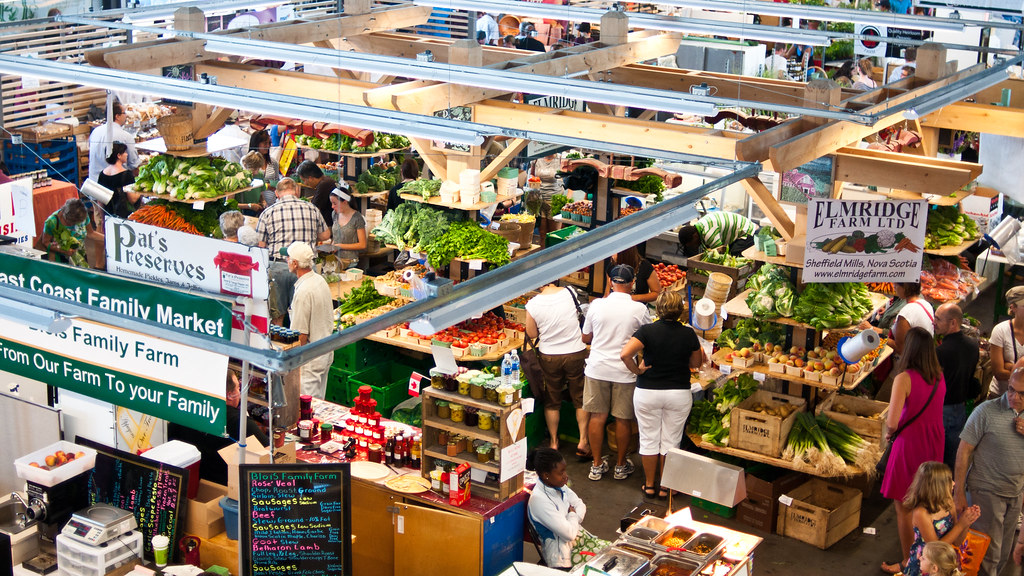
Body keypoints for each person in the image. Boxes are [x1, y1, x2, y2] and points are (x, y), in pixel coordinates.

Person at [620, 290, 703, 499]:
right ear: (681, 310)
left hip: (648, 392)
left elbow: (625, 354)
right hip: (678, 393)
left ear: (659, 308)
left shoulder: (647, 331)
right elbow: (695, 363)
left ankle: (649, 485)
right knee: (671, 441)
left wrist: (637, 371)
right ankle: (666, 486)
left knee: (648, 439)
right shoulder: (688, 334)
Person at [882, 327, 946, 570]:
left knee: (904, 507)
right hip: (933, 441)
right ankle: (926, 557)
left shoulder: (904, 378)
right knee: (924, 503)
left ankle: (909, 563)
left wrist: (889, 434)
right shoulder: (939, 375)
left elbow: (892, 422)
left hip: (909, 443)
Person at [582, 264, 650, 482]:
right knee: (623, 419)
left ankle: (596, 465)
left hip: (597, 368)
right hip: (625, 371)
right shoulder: (639, 309)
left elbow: (586, 337)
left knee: (597, 417)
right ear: (632, 284)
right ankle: (620, 466)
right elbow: (647, 338)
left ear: (611, 282)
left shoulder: (596, 305)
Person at [955, 367, 1024, 576]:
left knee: (1003, 554)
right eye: (1011, 389)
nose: (1014, 397)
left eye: (1022, 394)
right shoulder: (985, 411)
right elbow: (963, 452)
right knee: (986, 556)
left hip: (1015, 494)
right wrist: (958, 494)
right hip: (985, 492)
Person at [167, 369, 269, 485]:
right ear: (229, 395)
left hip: (190, 486)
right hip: (224, 490)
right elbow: (268, 452)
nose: (239, 393)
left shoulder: (188, 410)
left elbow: (167, 439)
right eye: (238, 389)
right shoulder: (238, 421)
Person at [882, 461, 981, 575]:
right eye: (949, 481)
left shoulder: (949, 503)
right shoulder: (921, 513)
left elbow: (958, 542)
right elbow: (936, 549)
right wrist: (961, 525)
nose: (954, 483)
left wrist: (967, 521)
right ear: (937, 487)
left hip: (943, 566)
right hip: (924, 566)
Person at [525, 284, 589, 457]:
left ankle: (553, 442)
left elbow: (531, 333)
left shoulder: (532, 304)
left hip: (549, 356)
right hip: (575, 352)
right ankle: (583, 440)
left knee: (552, 399)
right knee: (580, 397)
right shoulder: (570, 292)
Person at [256, 177, 331, 323]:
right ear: (297, 191)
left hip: (278, 268)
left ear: (277, 193)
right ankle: (303, 345)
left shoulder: (268, 212)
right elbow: (325, 235)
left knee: (277, 315)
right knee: (306, 317)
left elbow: (261, 246)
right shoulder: (312, 208)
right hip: (306, 269)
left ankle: (279, 344)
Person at [526, 447, 607, 569]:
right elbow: (569, 534)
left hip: (580, 541)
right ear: (546, 475)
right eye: (561, 473)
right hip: (563, 557)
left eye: (565, 471)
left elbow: (580, 505)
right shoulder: (539, 501)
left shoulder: (559, 486)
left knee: (613, 552)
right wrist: (572, 515)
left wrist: (570, 522)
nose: (565, 476)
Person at [286, 241, 335, 398]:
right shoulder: (319, 280)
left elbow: (300, 335)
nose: (286, 260)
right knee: (320, 403)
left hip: (309, 360)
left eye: (288, 258)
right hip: (325, 352)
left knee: (308, 408)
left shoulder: (303, 292)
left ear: (295, 263)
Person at [933, 303, 979, 470]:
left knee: (936, 458)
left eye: (938, 319)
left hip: (942, 410)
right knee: (953, 458)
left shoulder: (941, 352)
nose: (934, 322)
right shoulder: (973, 345)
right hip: (960, 408)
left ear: (953, 323)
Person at [34, 198, 100, 267]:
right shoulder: (52, 222)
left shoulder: (82, 215)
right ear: (67, 218)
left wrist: (108, 238)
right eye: (73, 223)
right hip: (61, 260)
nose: (76, 225)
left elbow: (91, 233)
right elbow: (45, 242)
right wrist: (64, 251)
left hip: (81, 256)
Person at [88, 101, 139, 183]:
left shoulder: (95, 132)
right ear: (117, 116)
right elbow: (134, 163)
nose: (126, 115)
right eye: (124, 113)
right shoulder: (125, 136)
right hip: (115, 184)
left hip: (94, 183)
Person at [988, 286, 1024, 399]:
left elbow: (1004, 370)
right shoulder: (1001, 331)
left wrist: (1009, 366)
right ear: (1013, 308)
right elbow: (998, 373)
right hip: (999, 395)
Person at [677, 211, 757, 257]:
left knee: (734, 255)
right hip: (739, 231)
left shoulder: (708, 234)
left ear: (694, 236)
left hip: (747, 232)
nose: (693, 246)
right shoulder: (700, 225)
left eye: (691, 244)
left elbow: (719, 253)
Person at [96, 141, 139, 223]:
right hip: (124, 218)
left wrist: (102, 220)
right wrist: (140, 191)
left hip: (108, 217)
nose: (126, 154)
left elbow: (100, 201)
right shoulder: (126, 175)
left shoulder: (102, 174)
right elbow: (132, 199)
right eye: (124, 152)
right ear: (118, 155)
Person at [891, 281, 934, 356]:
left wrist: (881, 338)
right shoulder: (926, 304)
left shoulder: (905, 313)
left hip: (912, 361)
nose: (894, 288)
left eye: (896, 285)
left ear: (904, 288)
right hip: (925, 356)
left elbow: (901, 349)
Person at [328, 185, 366, 266]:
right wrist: (333, 245)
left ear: (345, 202)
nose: (332, 206)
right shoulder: (334, 214)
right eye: (331, 203)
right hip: (335, 260)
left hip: (350, 262)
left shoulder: (357, 218)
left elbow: (362, 244)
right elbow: (336, 235)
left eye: (335, 203)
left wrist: (340, 246)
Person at [294, 160, 337, 229]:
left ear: (310, 178)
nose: (305, 183)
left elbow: (313, 209)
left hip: (330, 226)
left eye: (304, 180)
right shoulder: (325, 180)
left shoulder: (324, 185)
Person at [249, 129, 281, 206]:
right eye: (264, 143)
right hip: (254, 204)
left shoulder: (273, 162)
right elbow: (248, 183)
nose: (267, 146)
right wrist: (267, 185)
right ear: (256, 144)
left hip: (271, 203)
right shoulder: (248, 162)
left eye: (269, 143)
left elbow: (277, 181)